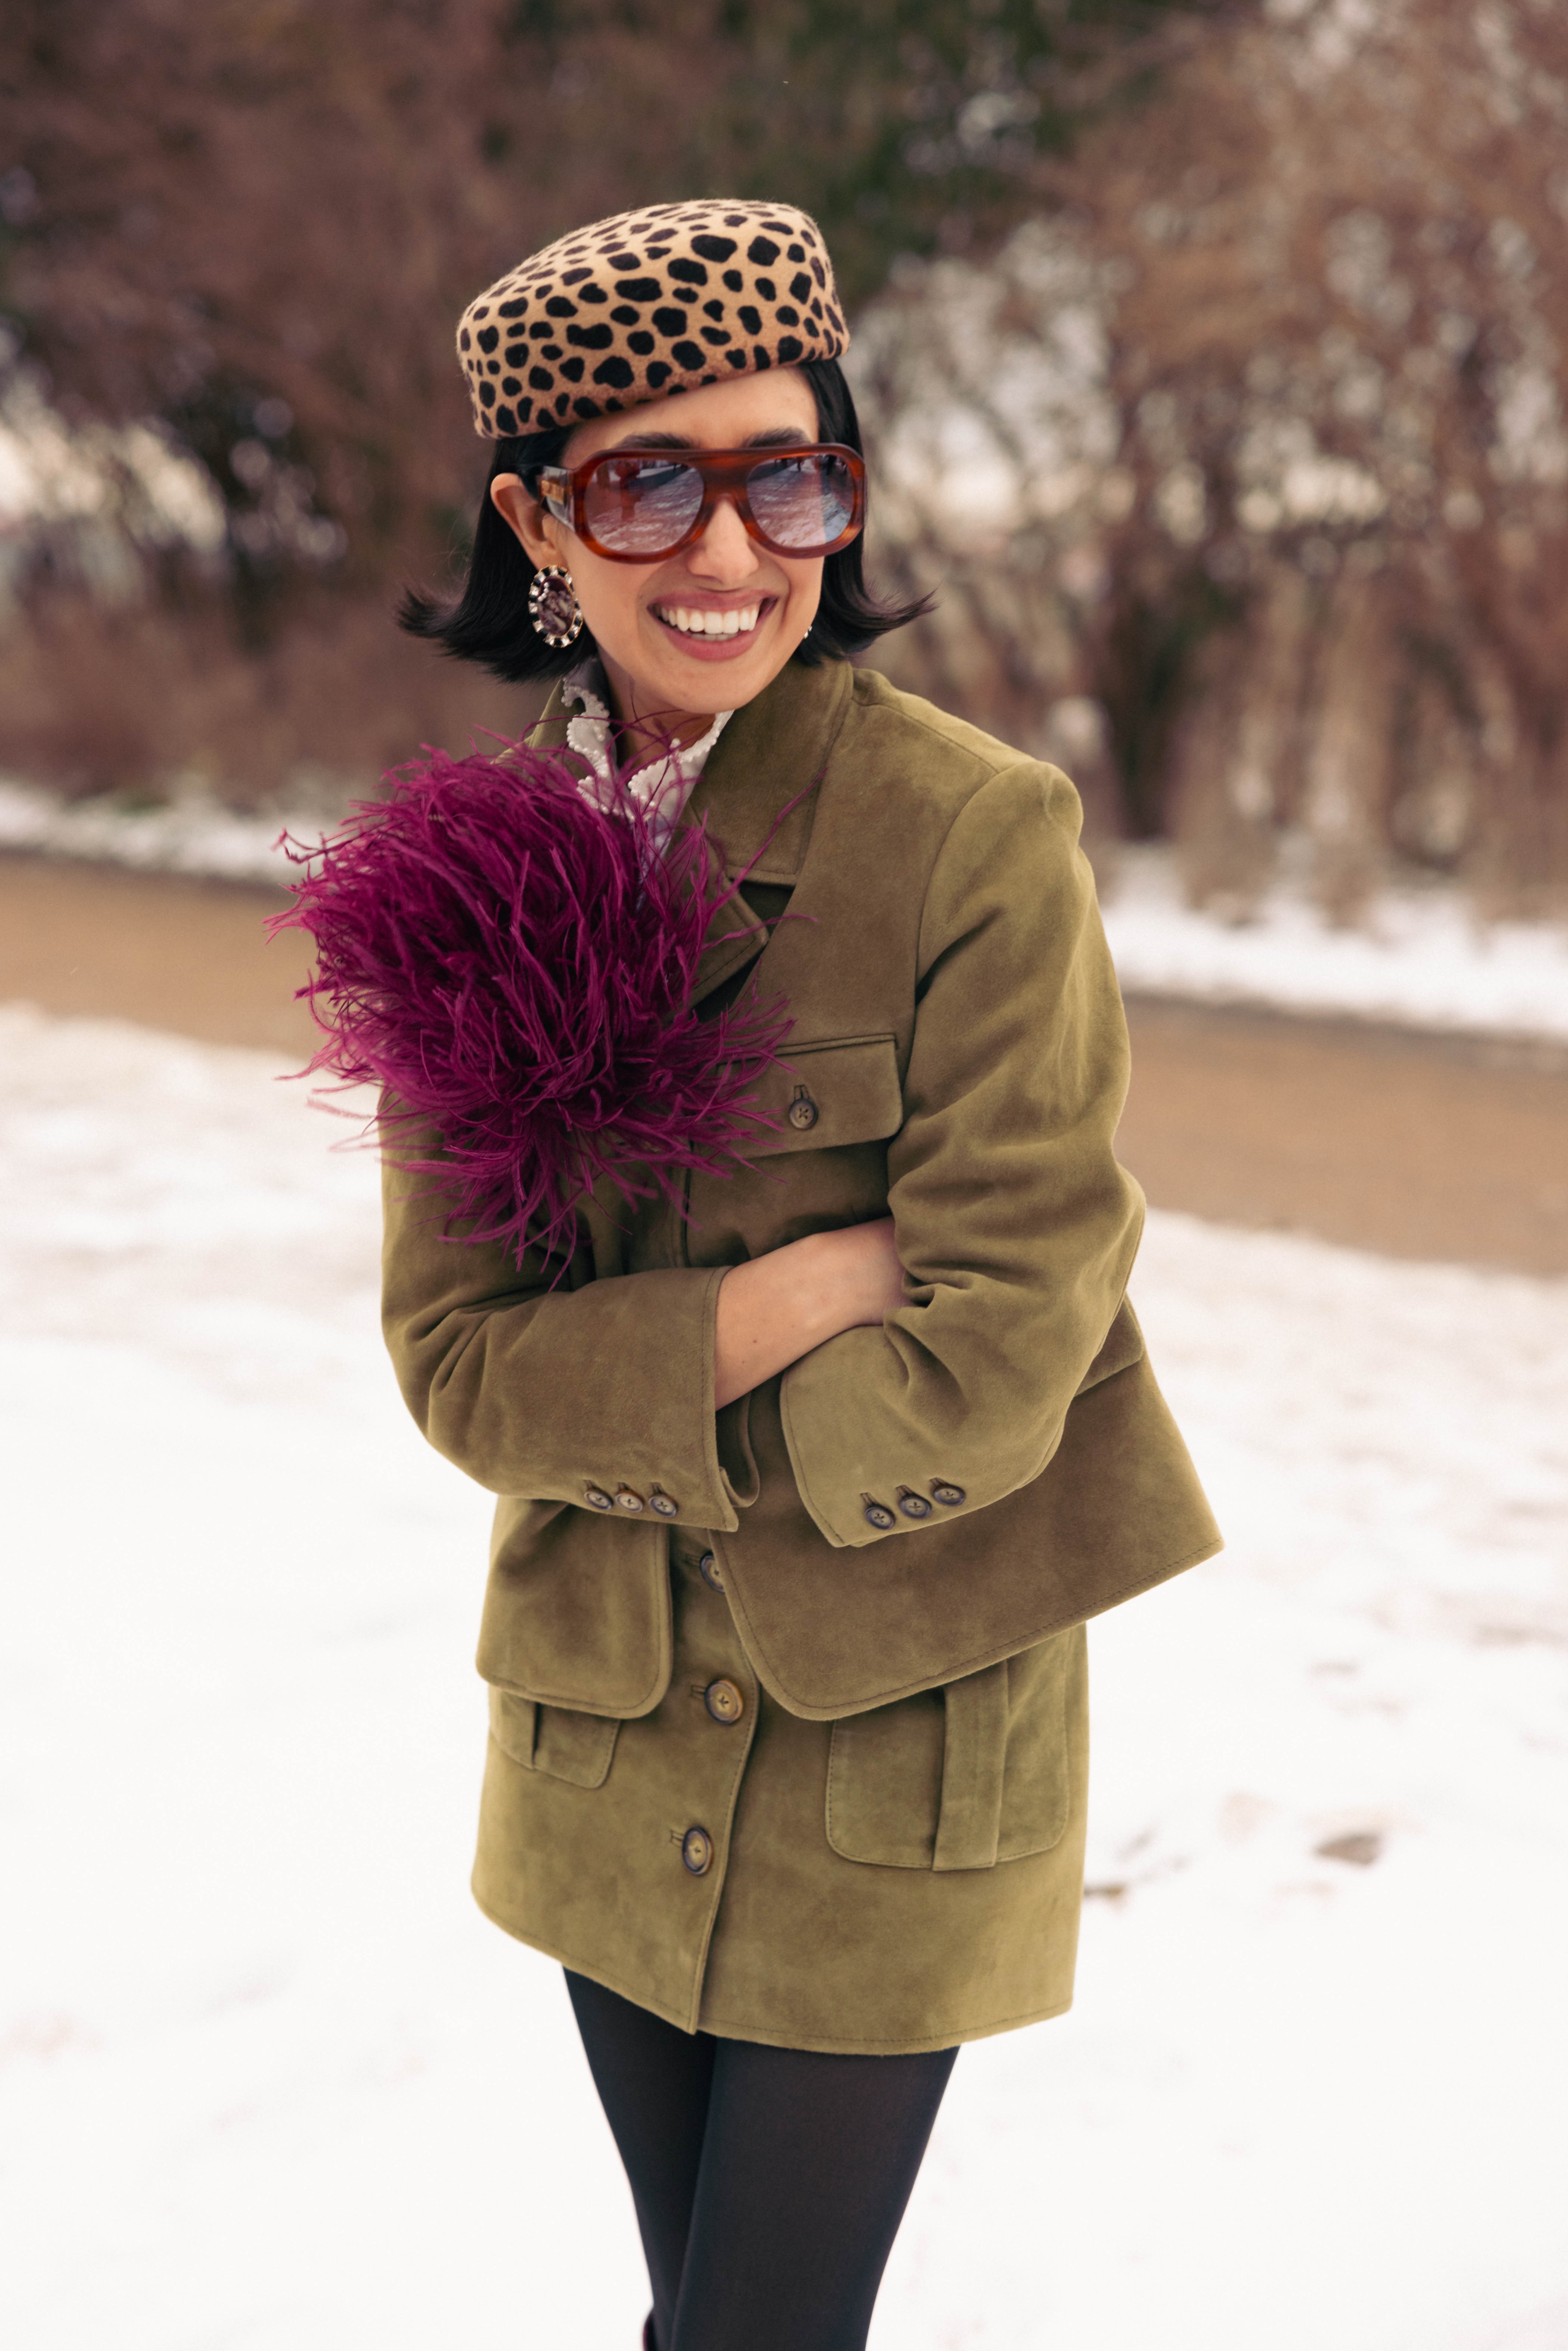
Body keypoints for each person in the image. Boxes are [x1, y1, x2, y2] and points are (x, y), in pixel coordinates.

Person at [389, 198, 1220, 2351]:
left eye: (791, 473)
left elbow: (1010, 1329)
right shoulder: (470, 889)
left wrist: (651, 1397)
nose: (732, 548)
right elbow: (462, 1363)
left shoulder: (973, 834)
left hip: (897, 1748)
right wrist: (800, 1289)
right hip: (599, 1739)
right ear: (536, 524)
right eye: (647, 479)